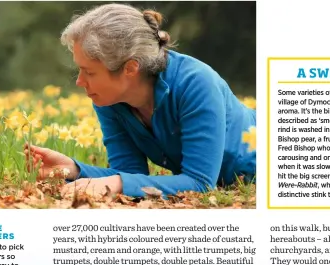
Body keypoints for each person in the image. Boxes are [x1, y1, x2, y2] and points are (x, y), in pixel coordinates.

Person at [24, 4, 256, 199]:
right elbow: (128, 173)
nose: (80, 82)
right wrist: (74, 169)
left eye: (90, 72)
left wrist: (117, 183)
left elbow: (200, 183)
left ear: (130, 68)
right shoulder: (109, 99)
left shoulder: (196, 83)